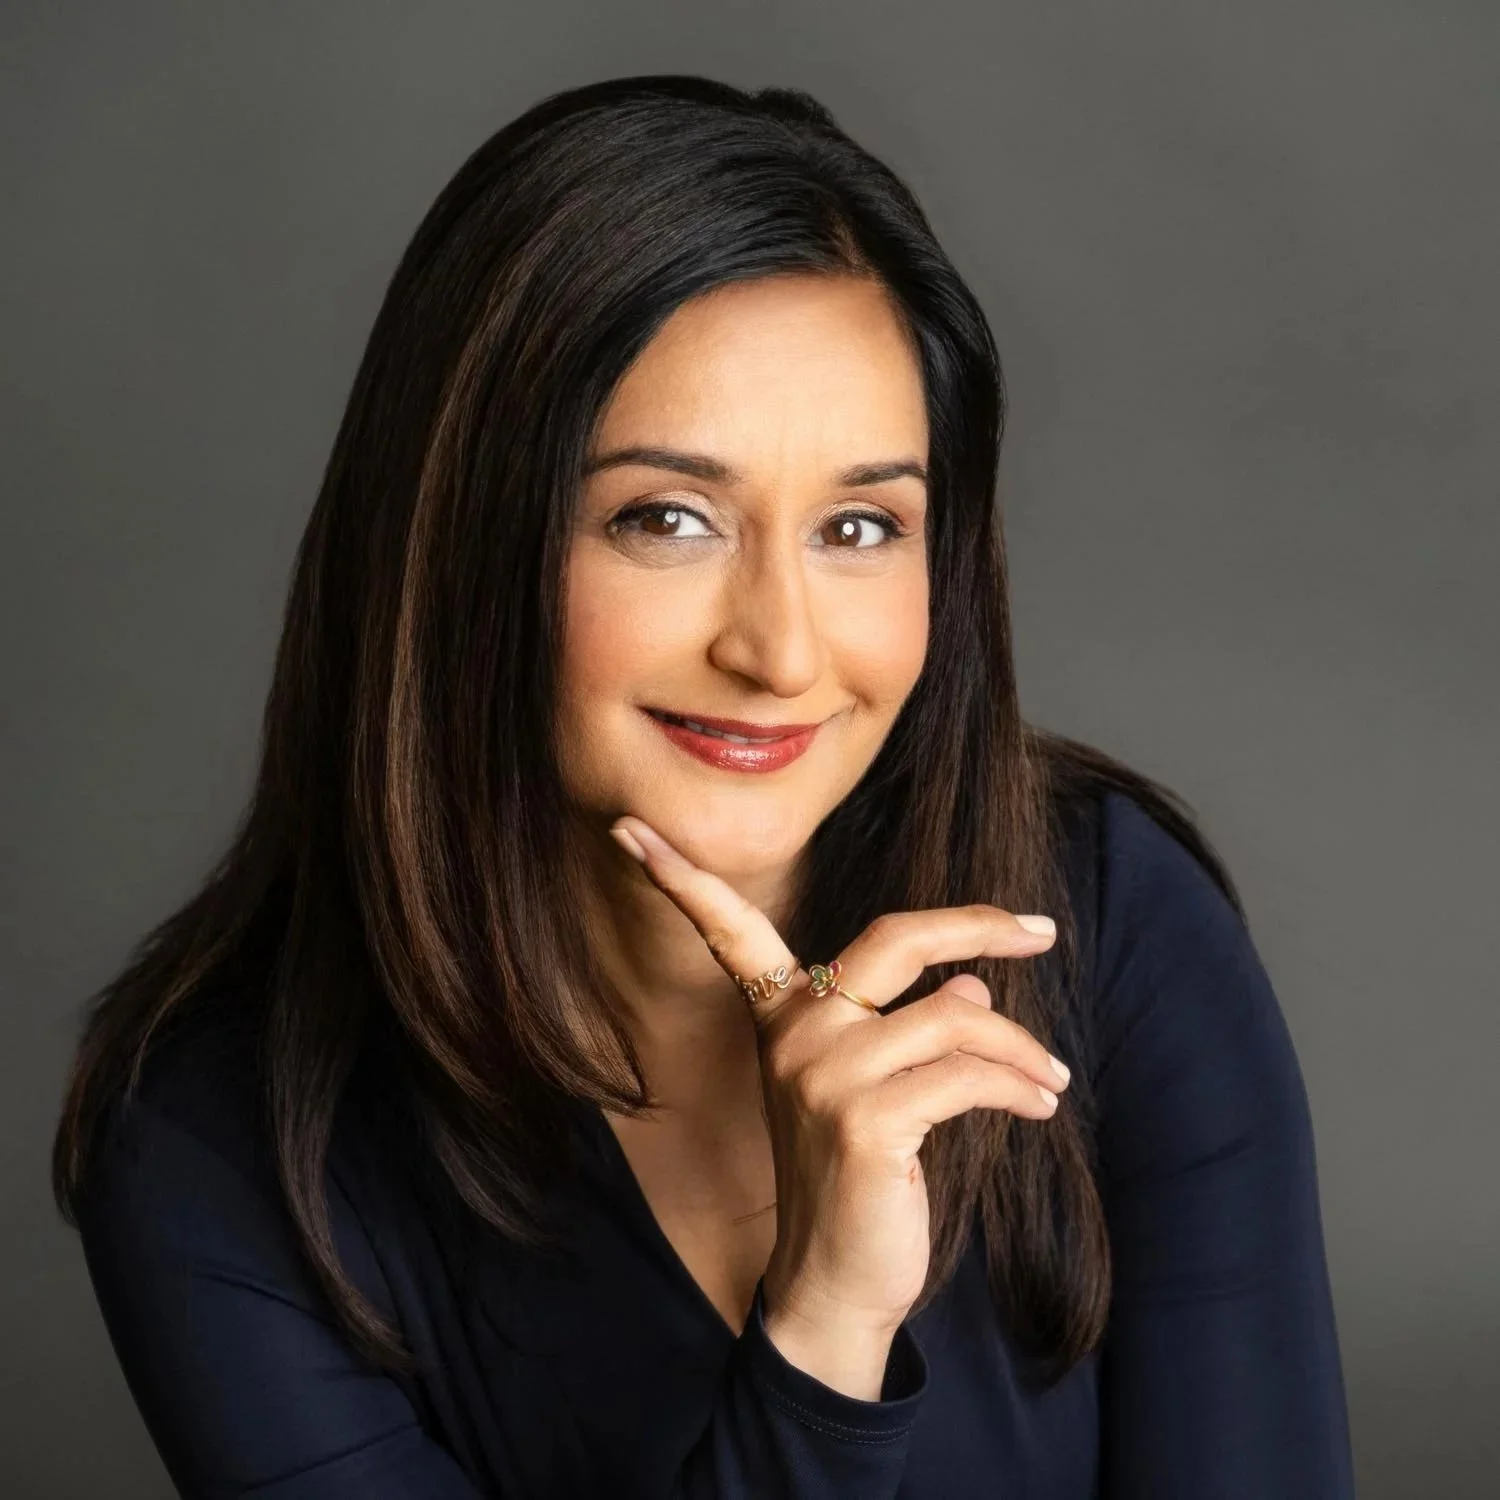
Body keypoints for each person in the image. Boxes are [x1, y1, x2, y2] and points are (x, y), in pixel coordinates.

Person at [51, 74, 1356, 1498]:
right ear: (459, 539)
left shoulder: (1105, 926)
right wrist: (821, 1339)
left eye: (861, 524)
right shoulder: (217, 1144)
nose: (780, 650)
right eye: (663, 518)